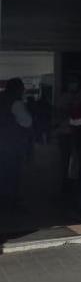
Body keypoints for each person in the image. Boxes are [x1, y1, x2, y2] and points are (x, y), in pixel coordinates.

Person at [0, 78, 32, 211]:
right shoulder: (16, 103)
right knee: (12, 173)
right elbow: (26, 122)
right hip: (11, 143)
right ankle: (9, 202)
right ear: (18, 89)